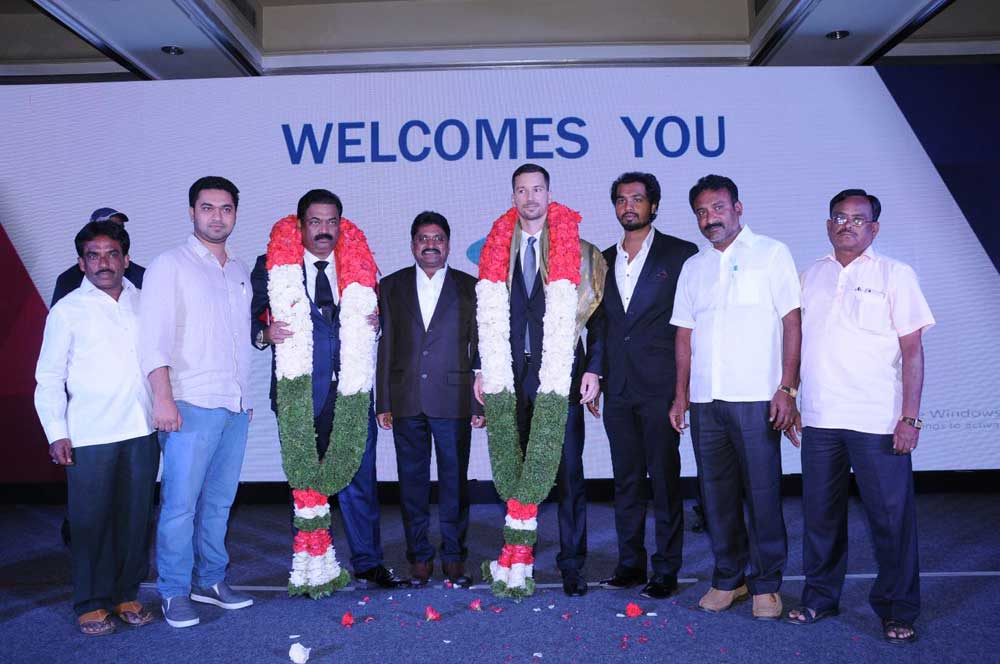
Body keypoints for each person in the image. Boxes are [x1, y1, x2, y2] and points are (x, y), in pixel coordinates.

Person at [785, 189, 933, 644]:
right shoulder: (811, 275)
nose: (845, 225)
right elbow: (797, 344)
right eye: (838, 217)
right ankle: (819, 597)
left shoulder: (895, 274)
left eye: (856, 218)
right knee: (820, 517)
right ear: (827, 224)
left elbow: (913, 351)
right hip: (821, 419)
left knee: (891, 521)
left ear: (874, 228)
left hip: (878, 421)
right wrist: (792, 395)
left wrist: (910, 418)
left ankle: (897, 610)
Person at [251, 189, 407, 590]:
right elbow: (250, 321)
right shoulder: (270, 267)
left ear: (341, 224)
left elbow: (376, 320)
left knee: (361, 482)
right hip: (300, 394)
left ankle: (368, 563)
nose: (324, 230)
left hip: (351, 393)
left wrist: (378, 323)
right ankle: (310, 563)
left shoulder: (361, 264)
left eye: (332, 221)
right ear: (300, 225)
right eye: (315, 222)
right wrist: (264, 334)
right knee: (304, 481)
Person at [669, 174, 801, 620]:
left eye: (718, 208)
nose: (711, 218)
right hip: (706, 400)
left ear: (738, 208)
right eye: (702, 212)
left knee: (763, 493)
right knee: (716, 495)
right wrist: (681, 395)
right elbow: (684, 336)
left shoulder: (772, 253)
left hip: (757, 397)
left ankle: (767, 584)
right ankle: (729, 578)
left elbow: (792, 323)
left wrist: (788, 388)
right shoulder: (694, 267)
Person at [474, 163, 606, 597]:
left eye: (537, 189)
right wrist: (480, 369)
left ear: (549, 193)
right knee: (512, 472)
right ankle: (518, 559)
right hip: (508, 377)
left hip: (561, 377)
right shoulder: (496, 248)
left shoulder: (579, 251)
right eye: (521, 190)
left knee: (569, 476)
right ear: (513, 196)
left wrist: (593, 368)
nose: (529, 197)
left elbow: (598, 319)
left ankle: (572, 565)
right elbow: (483, 315)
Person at [139, 176, 254, 628]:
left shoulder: (239, 269)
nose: (217, 217)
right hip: (189, 403)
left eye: (225, 208)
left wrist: (244, 397)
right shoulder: (170, 265)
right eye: (207, 208)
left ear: (235, 214)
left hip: (234, 405)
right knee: (180, 505)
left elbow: (237, 338)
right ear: (192, 212)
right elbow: (153, 339)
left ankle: (211, 580)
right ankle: (172, 590)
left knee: (219, 503)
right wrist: (163, 399)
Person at [35, 220, 158, 635]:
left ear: (126, 259)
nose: (103, 263)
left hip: (141, 429)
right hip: (89, 434)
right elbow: (49, 377)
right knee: (89, 523)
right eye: (94, 256)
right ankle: (90, 602)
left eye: (111, 254)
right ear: (81, 263)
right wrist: (57, 432)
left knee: (136, 519)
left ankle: (126, 594)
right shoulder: (67, 311)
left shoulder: (146, 301)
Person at [595, 172, 698, 599]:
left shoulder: (681, 254)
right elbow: (600, 325)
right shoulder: (602, 260)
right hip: (617, 387)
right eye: (621, 200)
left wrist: (682, 392)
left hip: (661, 387)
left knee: (665, 481)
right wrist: (595, 374)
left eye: (637, 199)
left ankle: (666, 569)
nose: (628, 206)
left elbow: (689, 325)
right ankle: (630, 565)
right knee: (626, 480)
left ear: (653, 205)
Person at [376, 211, 485, 588]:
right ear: (412, 245)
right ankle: (419, 557)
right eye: (423, 238)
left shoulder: (470, 287)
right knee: (412, 484)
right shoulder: (390, 286)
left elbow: (479, 347)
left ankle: (454, 557)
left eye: (438, 238)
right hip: (405, 398)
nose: (431, 245)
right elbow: (386, 345)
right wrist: (383, 401)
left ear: (448, 245)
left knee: (455, 483)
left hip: (454, 399)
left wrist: (478, 403)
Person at [52, 208, 145, 306]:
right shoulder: (67, 280)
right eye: (107, 226)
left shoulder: (142, 275)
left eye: (120, 227)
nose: (114, 231)